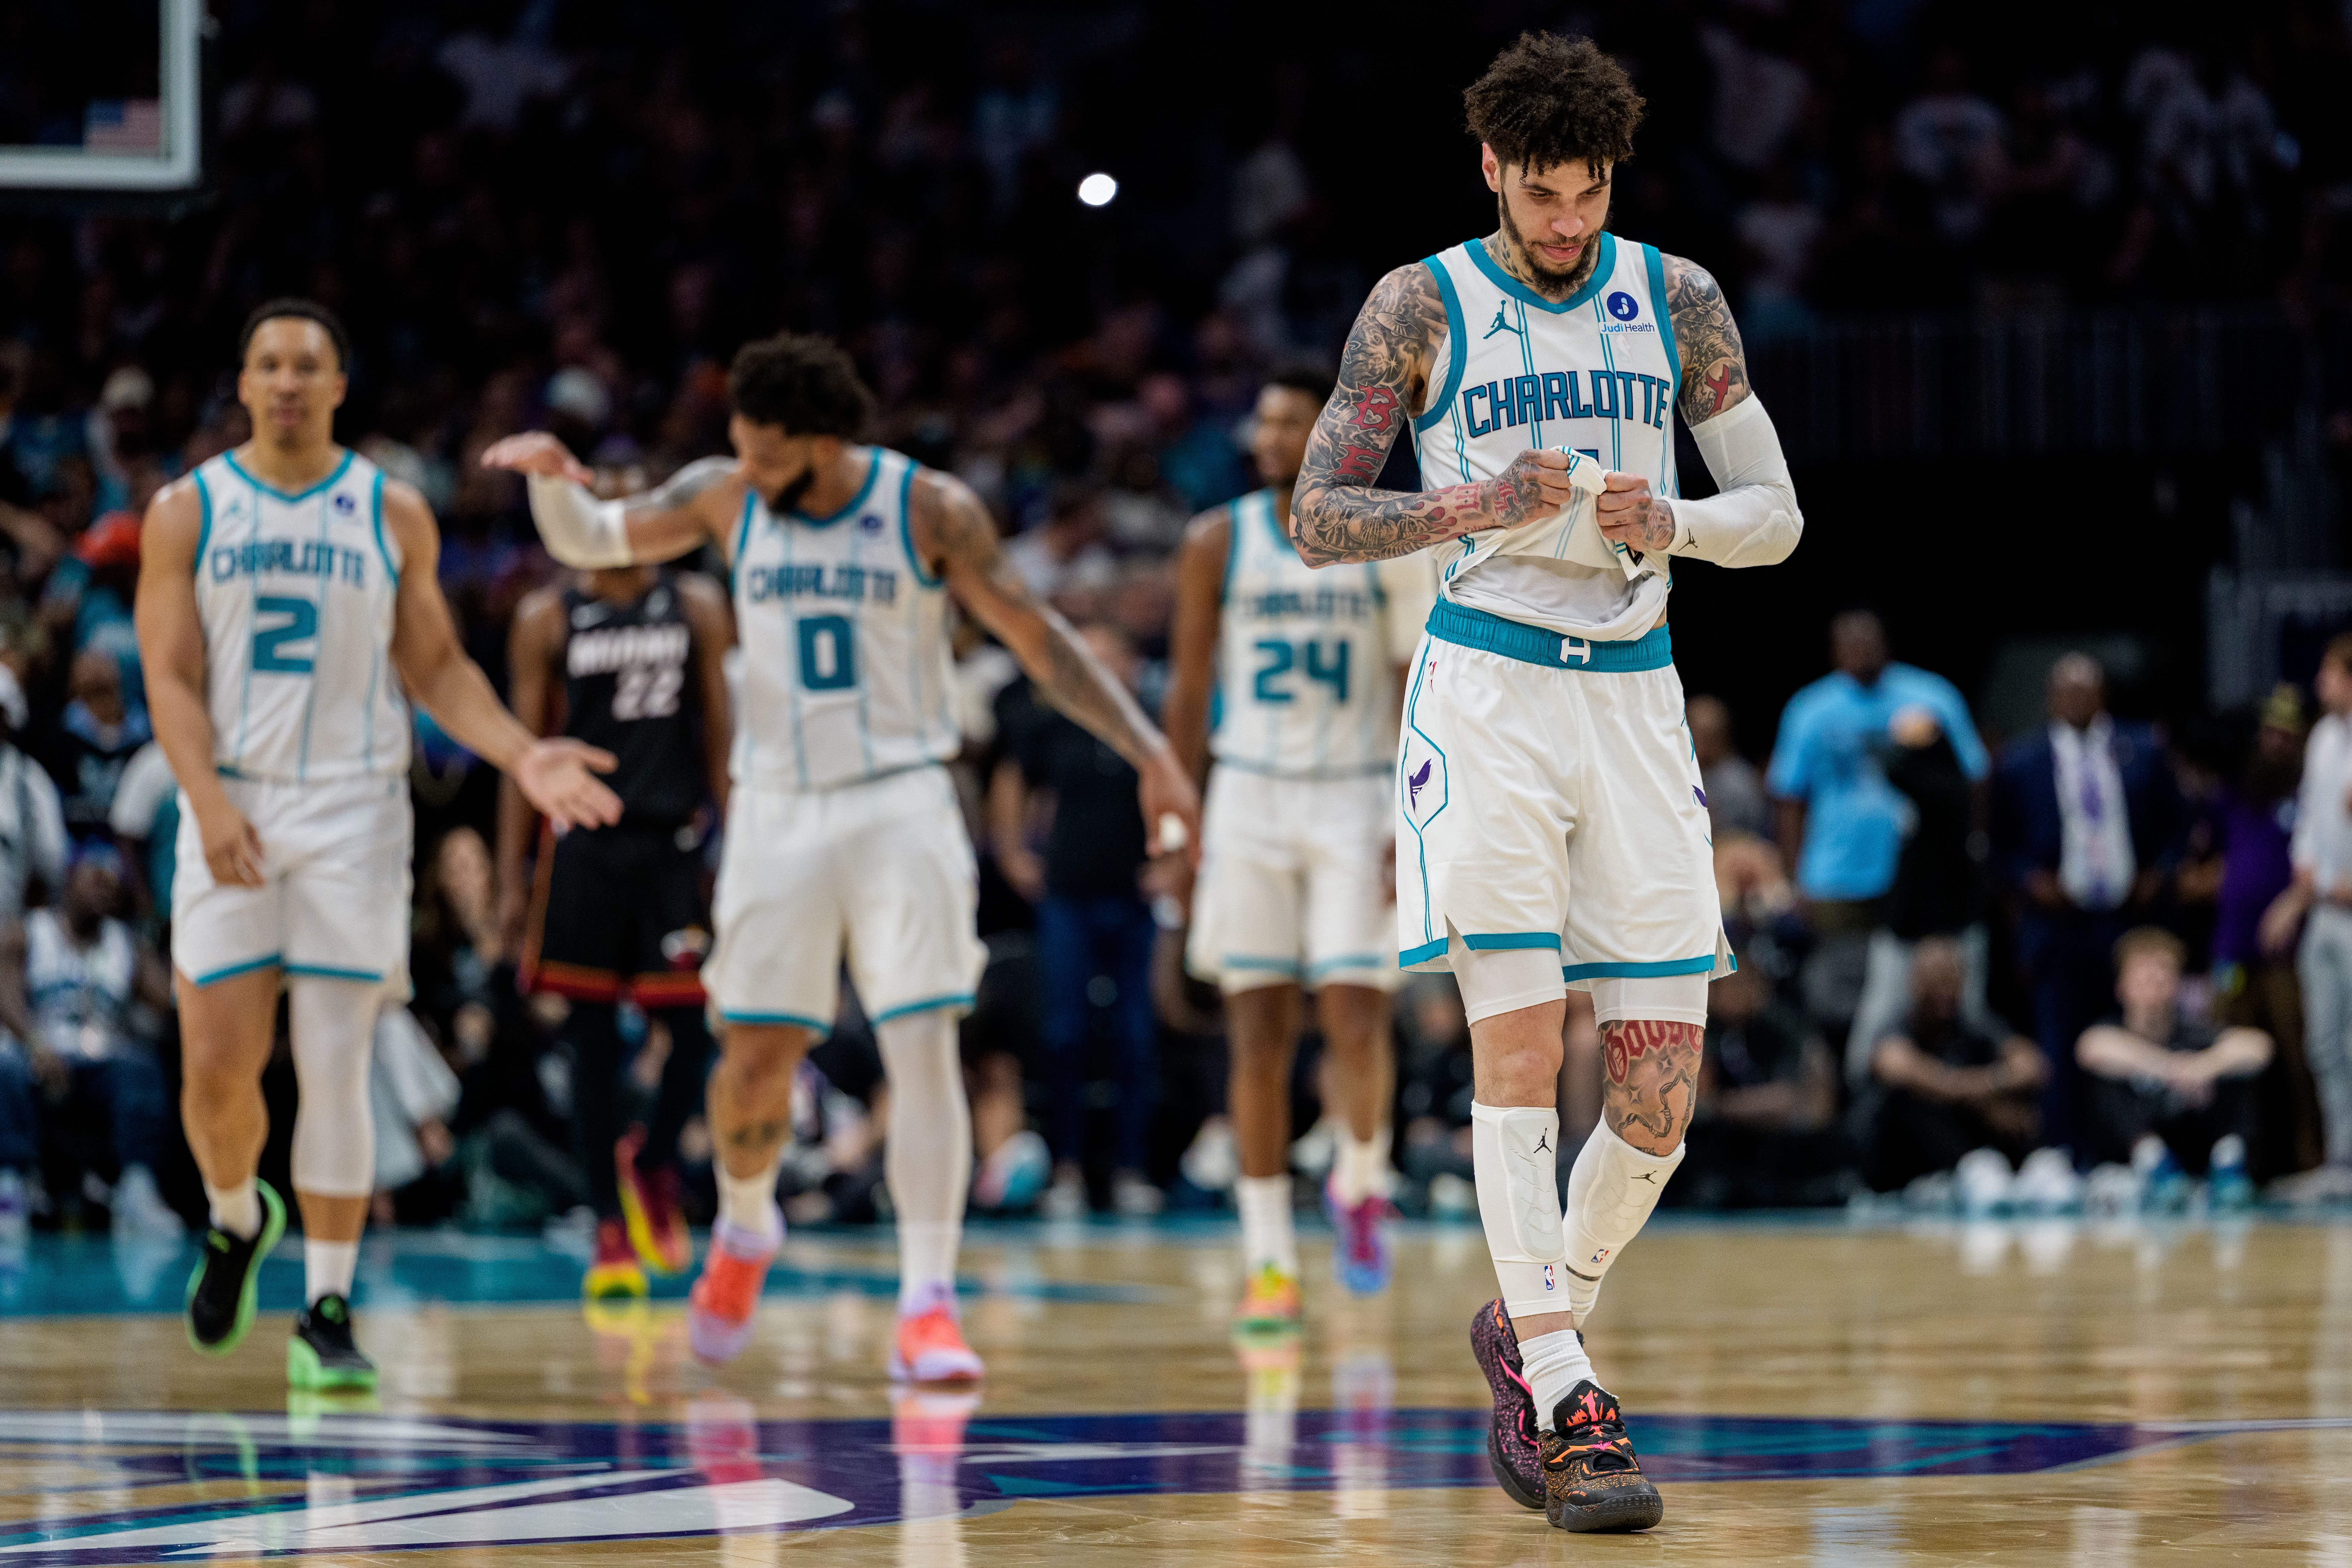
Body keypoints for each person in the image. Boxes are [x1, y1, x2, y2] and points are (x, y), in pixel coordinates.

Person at [1287, 33, 1802, 1533]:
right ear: (1493, 171)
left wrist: (1675, 522)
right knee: (1516, 1050)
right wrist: (1468, 500)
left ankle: (1531, 1319)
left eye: (1589, 193)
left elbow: (1775, 513)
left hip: (1635, 698)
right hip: (1488, 695)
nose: (1568, 221)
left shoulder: (1677, 297)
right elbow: (1317, 512)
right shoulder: (1420, 304)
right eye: (1542, 193)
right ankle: (1570, 1399)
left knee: (1657, 1096)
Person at [483, 330, 1200, 1384]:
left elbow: (1038, 637)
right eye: (741, 444)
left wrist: (1150, 752)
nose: (749, 465)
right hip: (777, 809)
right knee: (752, 1059)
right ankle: (744, 1223)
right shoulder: (726, 493)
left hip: (900, 798)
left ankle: (928, 1302)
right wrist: (554, 483)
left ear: (824, 441)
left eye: (768, 451)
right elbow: (595, 534)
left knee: (923, 1043)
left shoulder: (928, 508)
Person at [134, 299, 622, 1392]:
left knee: (337, 1060)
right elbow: (168, 674)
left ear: (338, 386)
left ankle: (328, 1307)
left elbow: (435, 665)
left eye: (307, 365)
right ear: (245, 385)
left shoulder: (390, 510)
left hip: (356, 806)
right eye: (270, 364)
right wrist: (205, 800)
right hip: (235, 794)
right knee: (218, 1070)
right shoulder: (186, 510)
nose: (288, 381)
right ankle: (235, 1216)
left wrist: (522, 754)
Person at [1161, 364, 1435, 1324]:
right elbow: (1189, 688)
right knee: (1256, 1030)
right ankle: (1268, 1255)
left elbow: (1414, 685)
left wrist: (1413, 816)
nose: (1273, 437)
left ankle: (1360, 1180)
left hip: (1357, 793)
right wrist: (1177, 820)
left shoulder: (1387, 535)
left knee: (1358, 1014)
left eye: (1293, 421)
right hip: (1248, 793)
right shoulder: (1216, 539)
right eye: (1265, 422)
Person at [499, 562, 734, 1298]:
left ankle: (655, 1161)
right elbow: (522, 756)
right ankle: (607, 1222)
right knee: (590, 1046)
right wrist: (510, 877)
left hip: (671, 847)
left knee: (694, 1033)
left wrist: (740, 846)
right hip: (584, 849)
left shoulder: (694, 605)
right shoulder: (547, 615)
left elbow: (721, 736)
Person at [992, 623, 1165, 1220]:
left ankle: (1130, 1170)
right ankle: (1066, 1169)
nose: (1096, 670)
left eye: (1107, 658)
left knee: (1135, 1036)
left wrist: (1170, 864)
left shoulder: (1150, 724)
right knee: (1064, 1033)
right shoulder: (1051, 722)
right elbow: (1014, 778)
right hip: (1067, 896)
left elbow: (1182, 783)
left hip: (1133, 897)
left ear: (1130, 665)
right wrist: (1013, 852)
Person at [1990, 652, 2184, 1144]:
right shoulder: (2021, 761)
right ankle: (2065, 1152)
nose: (2076, 700)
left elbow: (2178, 826)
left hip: (2130, 918)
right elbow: (1998, 845)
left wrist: (2158, 873)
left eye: (2086, 690)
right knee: (2061, 1039)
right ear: (2050, 699)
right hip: (2059, 923)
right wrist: (2030, 880)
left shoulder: (2143, 748)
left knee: (2134, 1034)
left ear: (2103, 696)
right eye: (2066, 691)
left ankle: (2134, 1146)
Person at [1766, 612, 1988, 1039]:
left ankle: (1924, 1073)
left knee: (1924, 994)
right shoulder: (1811, 709)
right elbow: (1789, 797)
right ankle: (1853, 1075)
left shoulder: (1931, 698)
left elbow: (1973, 777)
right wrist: (1795, 878)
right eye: (1850, 646)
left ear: (1886, 645)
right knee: (1837, 996)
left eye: (1869, 644)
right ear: (1834, 653)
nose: (1861, 654)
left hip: (1921, 879)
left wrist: (1972, 851)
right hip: (1837, 875)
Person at [0, 845, 181, 1238]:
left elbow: (169, 1001)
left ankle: (138, 1188)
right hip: (40, 1051)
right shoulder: (30, 931)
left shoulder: (126, 945)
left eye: (113, 886)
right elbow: (5, 994)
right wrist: (35, 1044)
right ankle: (9, 1187)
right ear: (70, 880)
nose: (104, 890)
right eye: (95, 879)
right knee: (5, 1065)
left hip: (103, 1062)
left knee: (143, 1066)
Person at [2075, 927, 2270, 1203]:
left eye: (2163, 972)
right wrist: (2170, 1069)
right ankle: (2154, 1163)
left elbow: (2258, 1047)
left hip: (2193, 1145)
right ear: (2122, 987)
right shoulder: (2111, 1029)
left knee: (2236, 1072)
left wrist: (2203, 1068)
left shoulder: (2193, 1033)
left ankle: (2229, 1163)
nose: (2154, 982)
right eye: (2143, 974)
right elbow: (2091, 1047)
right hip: (2135, 1155)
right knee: (2106, 1079)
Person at [2266, 634, 2352, 1199]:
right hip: (2322, 909)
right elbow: (2309, 817)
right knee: (2323, 1041)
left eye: (2329, 673)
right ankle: (2342, 1160)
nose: (2320, 684)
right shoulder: (2323, 738)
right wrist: (2303, 868)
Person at [1865, 935, 2049, 1193]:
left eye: (1952, 978)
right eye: (1936, 979)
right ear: (1915, 982)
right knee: (1911, 1101)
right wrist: (1984, 1102)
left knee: (2021, 1112)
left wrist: (1987, 1087)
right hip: (1904, 1161)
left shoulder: (1973, 1025)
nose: (1945, 988)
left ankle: (2031, 1170)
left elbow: (2033, 1065)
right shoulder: (1895, 1027)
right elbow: (1897, 1068)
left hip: (1972, 1140)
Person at [1687, 695, 1769, 842]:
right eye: (1694, 734)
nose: (1700, 744)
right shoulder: (1675, 773)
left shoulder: (1740, 784)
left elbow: (1751, 837)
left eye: (1708, 737)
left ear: (1723, 737)